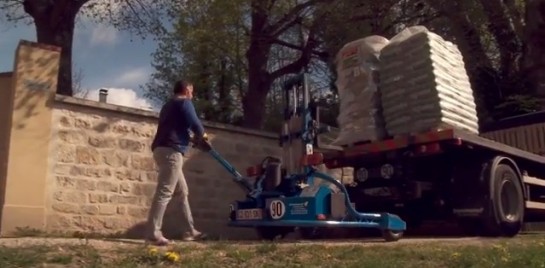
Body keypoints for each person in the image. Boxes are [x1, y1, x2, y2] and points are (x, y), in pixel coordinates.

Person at [145, 79, 207, 246]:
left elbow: (176, 128)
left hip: (161, 149)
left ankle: (190, 231)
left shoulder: (168, 106)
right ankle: (153, 233)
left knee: (182, 191)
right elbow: (195, 124)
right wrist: (204, 137)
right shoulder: (185, 103)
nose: (192, 95)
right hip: (172, 151)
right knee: (165, 191)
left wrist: (191, 139)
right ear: (187, 90)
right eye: (192, 91)